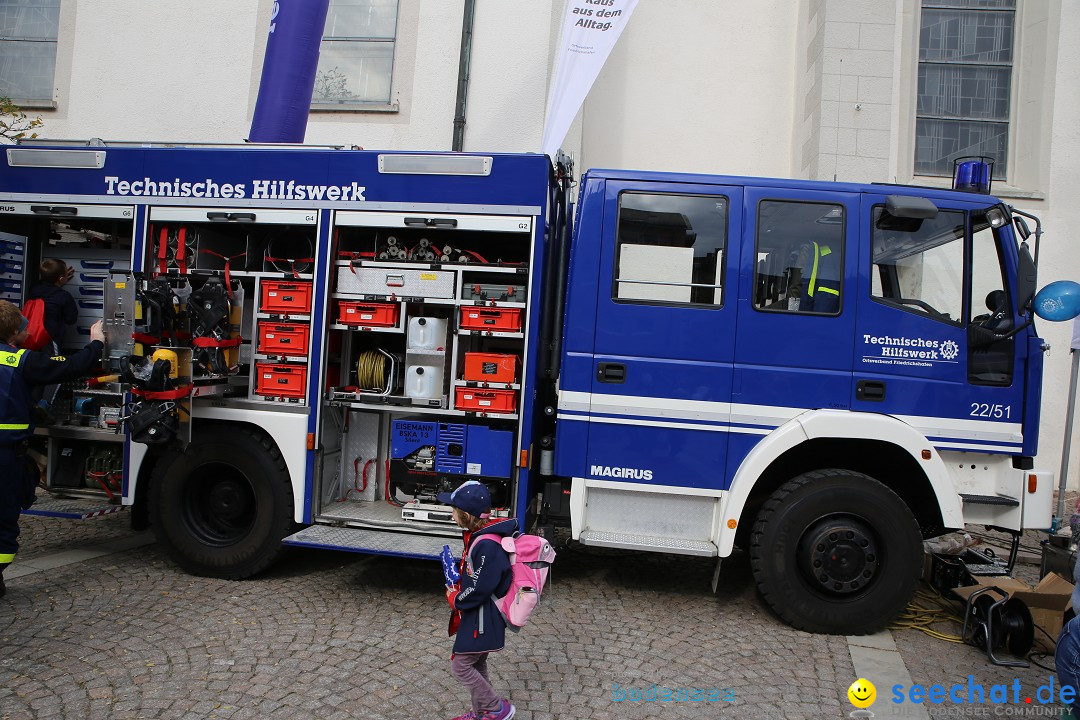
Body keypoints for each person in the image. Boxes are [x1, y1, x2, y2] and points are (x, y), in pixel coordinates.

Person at [0, 300, 104, 597]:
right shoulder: (22, 361)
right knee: (4, 519)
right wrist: (96, 344)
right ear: (14, 333)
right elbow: (71, 366)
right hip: (5, 456)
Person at [439, 480, 518, 720]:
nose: (451, 515)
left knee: (461, 666)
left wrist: (455, 598)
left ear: (465, 515)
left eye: (453, 510)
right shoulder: (479, 538)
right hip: (480, 618)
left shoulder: (486, 544)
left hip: (484, 619)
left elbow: (480, 588)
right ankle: (483, 712)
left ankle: (496, 708)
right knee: (477, 662)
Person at [27, 258, 78, 354]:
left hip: (32, 335)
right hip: (50, 338)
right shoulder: (64, 296)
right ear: (61, 279)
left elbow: (48, 292)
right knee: (52, 364)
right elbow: (71, 319)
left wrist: (60, 282)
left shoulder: (34, 288)